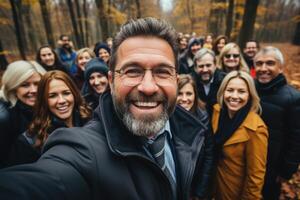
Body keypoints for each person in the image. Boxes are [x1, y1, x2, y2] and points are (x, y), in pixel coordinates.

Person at [0, 17, 214, 200]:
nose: (148, 87)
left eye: (162, 72)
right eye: (132, 71)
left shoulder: (192, 130)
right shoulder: (83, 151)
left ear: (176, 80)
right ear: (111, 81)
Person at [6, 70, 92, 166]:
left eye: (66, 93)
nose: (61, 100)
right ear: (44, 101)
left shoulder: (90, 120)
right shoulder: (29, 142)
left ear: (74, 94)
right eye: (52, 96)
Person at [212, 70, 268, 199]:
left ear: (250, 95)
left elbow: (256, 176)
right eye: (230, 90)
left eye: (241, 91)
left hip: (234, 192)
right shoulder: (217, 112)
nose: (234, 96)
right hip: (214, 187)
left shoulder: (256, 129)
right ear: (223, 91)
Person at [254, 46, 300, 200]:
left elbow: (296, 139)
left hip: (273, 169)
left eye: (270, 63)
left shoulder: (293, 98)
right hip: (250, 161)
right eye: (259, 64)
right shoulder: (250, 90)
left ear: (280, 67)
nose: (263, 68)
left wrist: (286, 170)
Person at [0, 61, 46, 167]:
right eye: (25, 85)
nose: (33, 90)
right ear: (13, 87)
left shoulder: (40, 106)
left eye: (37, 84)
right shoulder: (5, 118)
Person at [191, 48, 226, 116]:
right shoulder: (190, 82)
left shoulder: (225, 81)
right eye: (201, 66)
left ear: (215, 65)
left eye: (208, 65)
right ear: (195, 68)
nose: (205, 70)